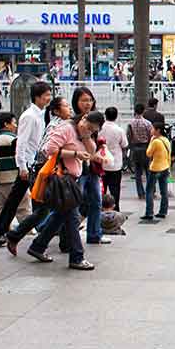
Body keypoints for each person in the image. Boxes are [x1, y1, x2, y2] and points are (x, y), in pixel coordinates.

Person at [24, 108, 103, 270]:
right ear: (84, 118)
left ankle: (37, 246)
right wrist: (74, 154)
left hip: (72, 180)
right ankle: (77, 257)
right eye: (88, 126)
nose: (88, 130)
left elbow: (91, 151)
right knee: (72, 218)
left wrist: (87, 137)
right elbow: (49, 150)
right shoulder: (66, 128)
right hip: (62, 180)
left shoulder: (84, 134)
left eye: (92, 130)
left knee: (59, 217)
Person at [0, 81, 50, 242]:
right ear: (37, 97)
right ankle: (7, 232)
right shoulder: (29, 116)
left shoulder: (40, 114)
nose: (48, 98)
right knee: (29, 200)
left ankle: (0, 231)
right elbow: (22, 142)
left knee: (15, 200)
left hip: (33, 162)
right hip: (28, 164)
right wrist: (22, 166)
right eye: (46, 95)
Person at [71, 87, 108, 246]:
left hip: (92, 168)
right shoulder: (76, 122)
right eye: (83, 100)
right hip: (78, 168)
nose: (87, 103)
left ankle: (94, 235)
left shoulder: (94, 119)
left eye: (89, 100)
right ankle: (54, 231)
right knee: (72, 203)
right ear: (76, 102)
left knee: (96, 201)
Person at [0, 113, 30, 233]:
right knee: (23, 207)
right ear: (6, 124)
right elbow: (21, 155)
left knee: (3, 207)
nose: (15, 126)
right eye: (14, 123)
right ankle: (26, 231)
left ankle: (4, 230)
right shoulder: (13, 139)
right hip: (13, 177)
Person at [140, 118, 171, 223]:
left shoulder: (156, 141)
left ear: (158, 130)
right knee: (164, 191)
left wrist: (151, 141)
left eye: (152, 129)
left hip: (155, 168)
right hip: (165, 167)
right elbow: (169, 155)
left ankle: (149, 212)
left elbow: (148, 153)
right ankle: (163, 211)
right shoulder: (166, 140)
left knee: (149, 191)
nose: (151, 130)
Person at [101, 106, 128, 210]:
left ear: (105, 115)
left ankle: (102, 209)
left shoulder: (100, 129)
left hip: (102, 163)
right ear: (116, 116)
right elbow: (124, 144)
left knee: (102, 189)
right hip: (115, 164)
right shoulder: (119, 130)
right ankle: (115, 209)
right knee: (115, 190)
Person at [126, 103, 153, 199]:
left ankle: (140, 193)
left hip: (135, 148)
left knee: (138, 172)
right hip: (146, 147)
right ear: (143, 111)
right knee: (148, 171)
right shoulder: (147, 123)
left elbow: (128, 135)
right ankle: (150, 191)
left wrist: (130, 146)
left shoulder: (130, 123)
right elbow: (151, 136)